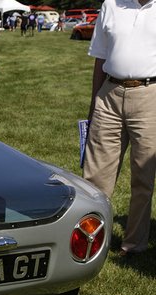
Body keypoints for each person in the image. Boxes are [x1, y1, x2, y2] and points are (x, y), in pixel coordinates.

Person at [82, 0, 156, 257]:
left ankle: (134, 245)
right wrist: (94, 102)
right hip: (109, 94)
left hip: (150, 95)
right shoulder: (111, 5)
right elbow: (100, 57)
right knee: (95, 177)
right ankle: (90, 241)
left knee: (143, 177)